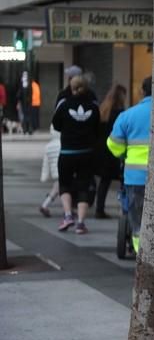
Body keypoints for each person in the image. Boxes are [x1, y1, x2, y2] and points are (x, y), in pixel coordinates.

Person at [107, 77, 152, 253]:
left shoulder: (128, 115)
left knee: (137, 215)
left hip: (136, 178)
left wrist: (124, 153)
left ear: (142, 91)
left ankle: (140, 250)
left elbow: (113, 144)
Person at [52, 75, 100, 234]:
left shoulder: (64, 105)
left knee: (65, 184)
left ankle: (67, 215)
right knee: (84, 186)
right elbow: (97, 128)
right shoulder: (93, 106)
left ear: (71, 88)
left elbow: (56, 125)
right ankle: (80, 223)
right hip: (87, 153)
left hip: (67, 152)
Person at [95, 84, 127, 218]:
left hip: (102, 151)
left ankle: (99, 209)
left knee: (104, 181)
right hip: (115, 150)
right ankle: (125, 209)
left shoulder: (103, 111)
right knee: (124, 181)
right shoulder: (120, 113)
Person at [39, 124, 61, 217]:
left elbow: (46, 163)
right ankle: (68, 211)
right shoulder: (65, 143)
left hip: (55, 172)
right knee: (64, 190)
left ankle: (45, 205)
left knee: (57, 189)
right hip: (64, 170)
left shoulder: (48, 146)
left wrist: (44, 176)